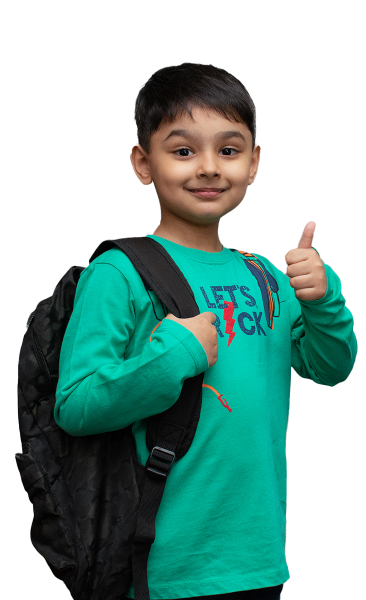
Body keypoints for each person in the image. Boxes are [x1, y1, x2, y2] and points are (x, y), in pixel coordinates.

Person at [55, 62, 358, 600]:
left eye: (229, 149)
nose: (209, 168)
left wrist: (324, 298)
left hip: (260, 562)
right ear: (142, 164)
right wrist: (172, 357)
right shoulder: (120, 272)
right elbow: (76, 406)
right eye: (183, 151)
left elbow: (331, 368)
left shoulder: (265, 274)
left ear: (254, 163)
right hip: (161, 567)